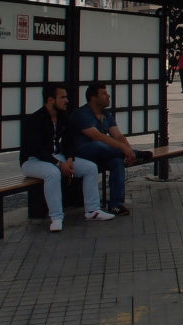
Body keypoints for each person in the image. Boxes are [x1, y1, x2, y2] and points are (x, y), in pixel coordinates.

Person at [20, 83, 114, 232]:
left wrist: (69, 159)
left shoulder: (63, 117)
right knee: (53, 173)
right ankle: (56, 217)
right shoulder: (35, 120)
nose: (67, 100)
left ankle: (92, 210)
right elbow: (36, 150)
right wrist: (59, 163)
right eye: (62, 97)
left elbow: (69, 141)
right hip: (33, 161)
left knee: (90, 168)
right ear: (51, 100)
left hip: (58, 158)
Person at [70, 81, 151, 216]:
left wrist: (128, 150)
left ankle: (115, 204)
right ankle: (137, 153)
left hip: (102, 155)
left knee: (117, 162)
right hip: (81, 153)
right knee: (99, 145)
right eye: (104, 93)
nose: (108, 96)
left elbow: (118, 136)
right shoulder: (82, 114)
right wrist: (127, 151)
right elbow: (96, 136)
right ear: (93, 97)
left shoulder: (106, 115)